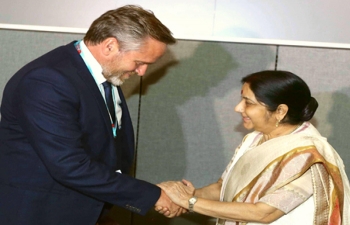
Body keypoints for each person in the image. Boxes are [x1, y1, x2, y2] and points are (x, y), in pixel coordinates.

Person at [0, 5, 181, 225]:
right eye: (139, 62)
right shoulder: (47, 81)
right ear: (110, 46)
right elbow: (69, 165)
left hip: (84, 209)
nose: (141, 72)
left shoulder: (105, 73)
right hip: (41, 213)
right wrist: (151, 195)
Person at [157, 70, 350, 224]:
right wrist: (189, 194)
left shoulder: (308, 154)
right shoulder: (253, 139)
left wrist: (189, 202)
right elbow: (223, 187)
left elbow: (264, 213)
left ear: (280, 111)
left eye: (248, 103)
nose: (238, 108)